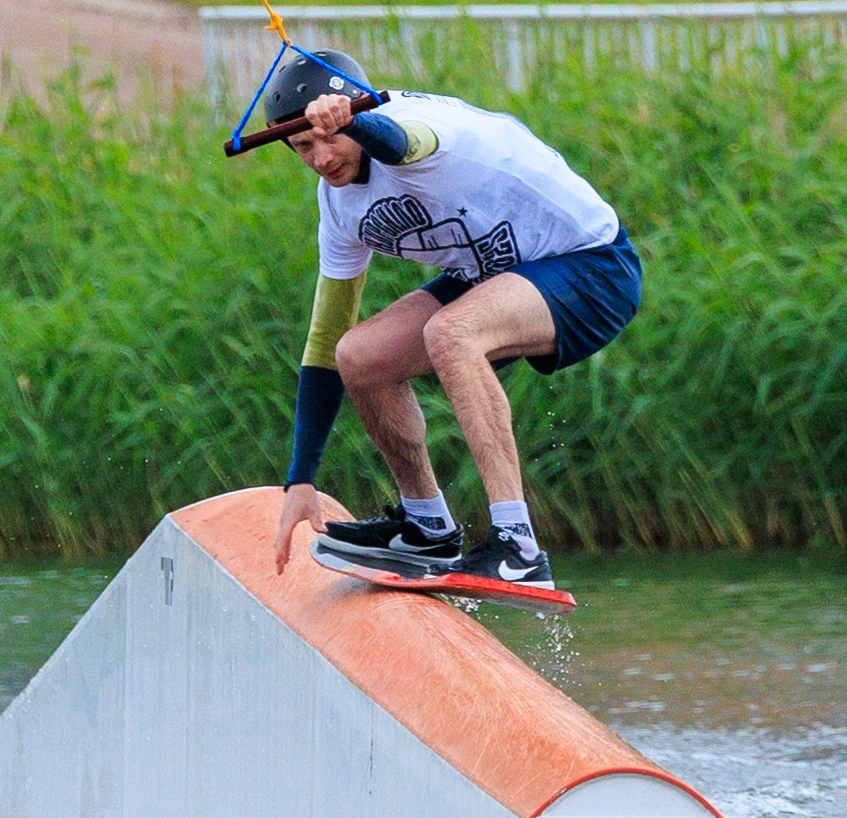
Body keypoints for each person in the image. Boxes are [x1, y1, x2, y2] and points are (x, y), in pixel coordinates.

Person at [254, 46, 642, 599]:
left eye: (328, 137)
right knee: (358, 355)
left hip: (591, 265)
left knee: (451, 332)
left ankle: (519, 548)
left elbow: (405, 144)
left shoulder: (419, 129)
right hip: (494, 274)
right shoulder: (338, 206)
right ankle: (427, 528)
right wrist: (302, 476)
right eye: (302, 147)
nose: (320, 157)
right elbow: (323, 341)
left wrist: (359, 123)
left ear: (358, 112)